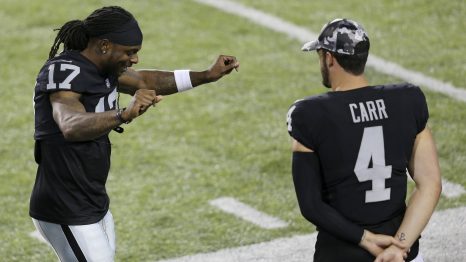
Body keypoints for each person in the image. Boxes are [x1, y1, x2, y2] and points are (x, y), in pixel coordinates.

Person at [30, 6, 239, 262]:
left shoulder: (102, 68)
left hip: (91, 198)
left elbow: (145, 81)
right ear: (105, 45)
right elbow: (70, 125)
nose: (134, 59)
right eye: (130, 52)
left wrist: (206, 75)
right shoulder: (65, 72)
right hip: (64, 204)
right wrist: (122, 114)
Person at [286, 18, 442, 262]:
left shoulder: (310, 114)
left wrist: (365, 238)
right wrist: (400, 246)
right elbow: (430, 183)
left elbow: (311, 205)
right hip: (403, 255)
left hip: (342, 254)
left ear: (329, 58)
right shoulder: (407, 99)